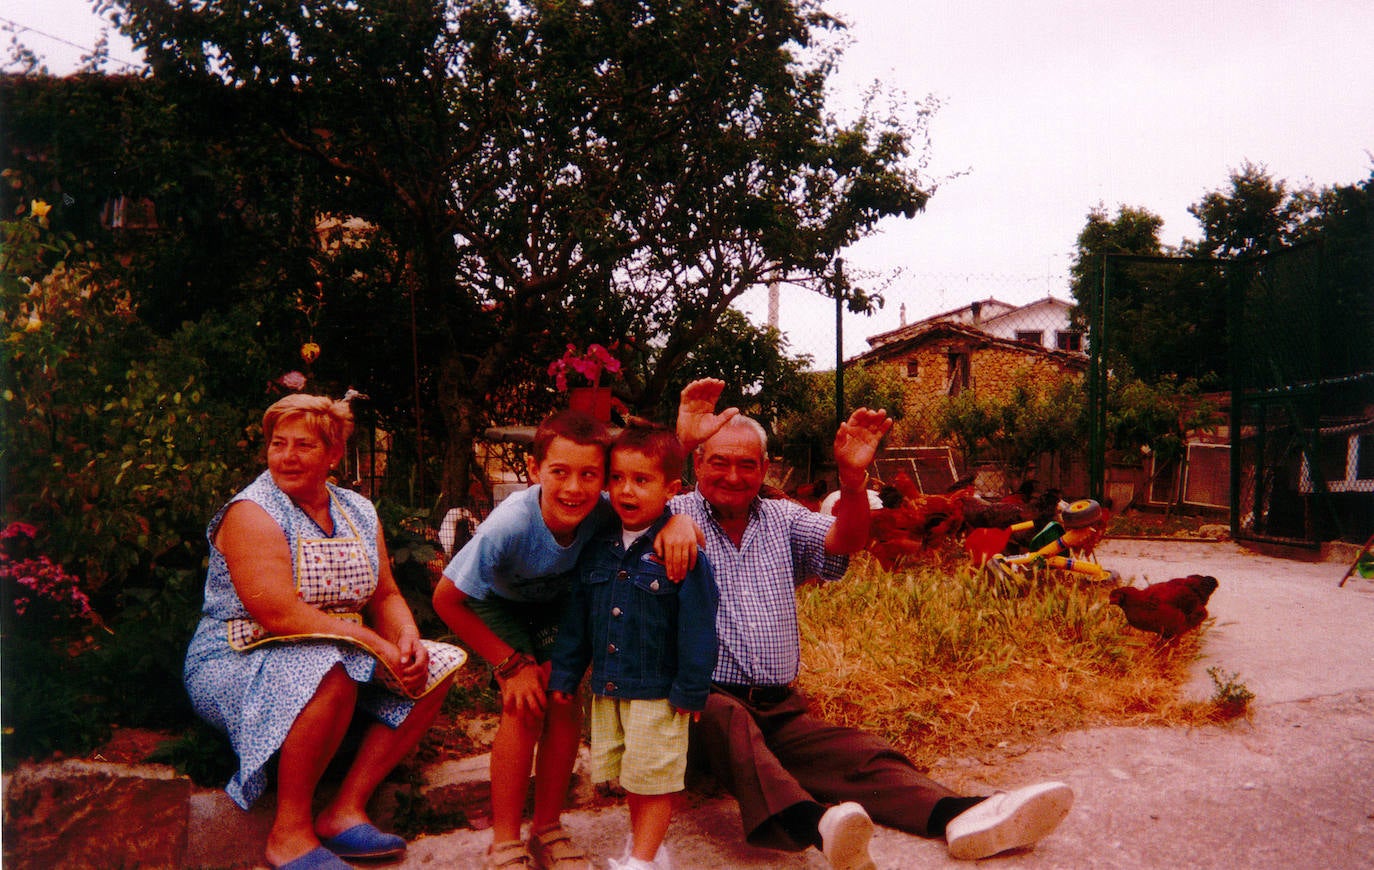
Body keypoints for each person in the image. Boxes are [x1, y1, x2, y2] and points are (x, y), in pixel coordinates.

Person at [673, 379, 1074, 869]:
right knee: (726, 718)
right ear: (697, 464)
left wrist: (852, 481)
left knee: (858, 753)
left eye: (746, 464)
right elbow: (618, 510)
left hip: (778, 710)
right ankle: (813, 826)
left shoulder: (781, 518)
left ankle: (962, 815)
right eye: (719, 461)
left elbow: (847, 540)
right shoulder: (670, 513)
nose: (733, 476)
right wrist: (674, 469)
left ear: (764, 469)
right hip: (697, 710)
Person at [184, 394, 466, 870]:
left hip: (338, 651)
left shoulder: (356, 508)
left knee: (436, 666)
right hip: (237, 656)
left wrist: (406, 639)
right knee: (329, 667)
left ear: (333, 455)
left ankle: (346, 809)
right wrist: (372, 643)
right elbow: (279, 615)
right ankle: (289, 833)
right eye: (278, 444)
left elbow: (385, 595)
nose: (287, 457)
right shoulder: (252, 511)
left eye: (303, 446)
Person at [432, 409, 700, 870]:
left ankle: (548, 828)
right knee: (525, 703)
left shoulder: (601, 510)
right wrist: (510, 665)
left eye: (589, 475)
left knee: (562, 696)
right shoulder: (509, 525)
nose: (574, 488)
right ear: (536, 471)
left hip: (560, 610)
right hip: (498, 607)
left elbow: (653, 508)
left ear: (603, 479)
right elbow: (446, 600)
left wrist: (678, 521)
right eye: (560, 472)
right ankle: (504, 841)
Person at [548, 421, 719, 870]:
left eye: (642, 480)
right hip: (611, 688)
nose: (626, 490)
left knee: (655, 781)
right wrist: (566, 674)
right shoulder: (598, 545)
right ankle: (649, 849)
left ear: (671, 489)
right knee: (633, 777)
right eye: (618, 478)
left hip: (660, 692)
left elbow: (700, 625)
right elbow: (577, 621)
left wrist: (692, 689)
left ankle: (641, 861)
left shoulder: (679, 550)